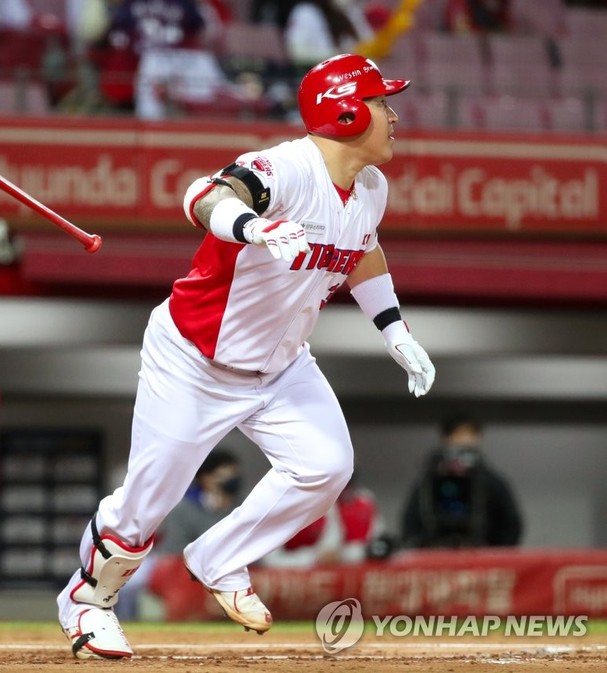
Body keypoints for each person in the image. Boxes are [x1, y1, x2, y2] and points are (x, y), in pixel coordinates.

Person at [56, 53, 435, 660]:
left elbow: (363, 251)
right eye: (381, 102)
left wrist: (394, 331)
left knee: (326, 465)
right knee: (144, 505)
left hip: (281, 365)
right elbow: (204, 195)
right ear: (343, 111)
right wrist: (252, 227)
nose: (392, 114)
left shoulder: (371, 187)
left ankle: (219, 558)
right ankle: (86, 601)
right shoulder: (285, 168)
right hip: (195, 359)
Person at [115, 448, 242, 620]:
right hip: (169, 561)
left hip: (217, 563)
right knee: (128, 583)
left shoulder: (240, 506)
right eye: (225, 475)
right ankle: (125, 624)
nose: (232, 480)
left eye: (234, 474)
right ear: (206, 478)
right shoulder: (184, 505)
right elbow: (176, 548)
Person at [401, 412, 523, 548]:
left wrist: (495, 553)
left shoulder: (492, 482)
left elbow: (511, 525)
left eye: (469, 434)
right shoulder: (427, 483)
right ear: (445, 438)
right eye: (458, 434)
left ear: (478, 437)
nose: (464, 440)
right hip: (435, 556)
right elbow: (410, 525)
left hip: (483, 557)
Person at [261, 472, 385, 567]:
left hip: (316, 570)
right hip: (284, 574)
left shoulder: (325, 504)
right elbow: (270, 561)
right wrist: (311, 558)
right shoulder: (274, 509)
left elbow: (332, 543)